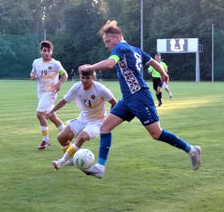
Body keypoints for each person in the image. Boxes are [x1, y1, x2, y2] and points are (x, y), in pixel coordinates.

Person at [79, 20, 201, 178]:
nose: (106, 45)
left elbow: (110, 64)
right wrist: (163, 74)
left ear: (117, 38)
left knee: (156, 134)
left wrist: (89, 67)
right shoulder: (136, 50)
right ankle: (100, 167)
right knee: (105, 128)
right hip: (128, 99)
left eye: (107, 41)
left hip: (140, 97)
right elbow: (153, 62)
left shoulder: (120, 47)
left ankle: (192, 149)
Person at [47, 70, 117, 170]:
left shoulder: (100, 89)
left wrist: (108, 120)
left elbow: (114, 102)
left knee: (81, 137)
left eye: (87, 78)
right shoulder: (76, 87)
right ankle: (71, 159)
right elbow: (64, 101)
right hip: (83, 119)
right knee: (61, 137)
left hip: (97, 122)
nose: (84, 80)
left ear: (93, 77)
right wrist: (51, 111)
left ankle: (60, 162)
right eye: (82, 77)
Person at [30, 40, 68, 150]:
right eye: (44, 50)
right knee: (52, 116)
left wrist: (59, 83)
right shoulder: (36, 62)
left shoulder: (55, 64)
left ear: (51, 52)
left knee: (40, 114)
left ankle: (46, 140)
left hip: (50, 93)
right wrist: (32, 75)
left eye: (48, 50)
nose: (46, 52)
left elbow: (65, 75)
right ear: (41, 51)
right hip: (41, 92)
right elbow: (33, 73)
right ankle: (66, 134)